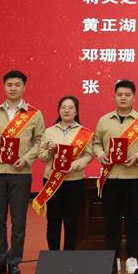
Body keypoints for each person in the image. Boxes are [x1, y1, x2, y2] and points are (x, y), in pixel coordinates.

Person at [0, 70, 45, 274]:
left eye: (17, 85)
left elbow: (40, 141)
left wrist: (26, 159)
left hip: (21, 173)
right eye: (9, 85)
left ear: (24, 87)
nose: (13, 88)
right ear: (4, 87)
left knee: (19, 220)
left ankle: (14, 262)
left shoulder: (34, 114)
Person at [93, 79, 138, 274]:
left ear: (134, 98)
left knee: (133, 220)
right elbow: (95, 143)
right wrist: (100, 155)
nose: (123, 98)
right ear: (114, 96)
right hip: (110, 178)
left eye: (127, 95)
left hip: (133, 178)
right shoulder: (104, 120)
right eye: (120, 94)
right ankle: (113, 257)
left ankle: (132, 257)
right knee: (111, 220)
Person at [34, 96, 94, 251]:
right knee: (53, 221)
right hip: (52, 181)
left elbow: (89, 155)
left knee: (71, 221)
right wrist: (50, 151)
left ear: (76, 111)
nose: (67, 110)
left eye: (70, 107)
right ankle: (53, 255)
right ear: (59, 110)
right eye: (63, 107)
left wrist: (73, 166)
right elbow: (41, 155)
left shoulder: (84, 133)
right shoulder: (49, 131)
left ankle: (68, 255)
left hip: (74, 181)